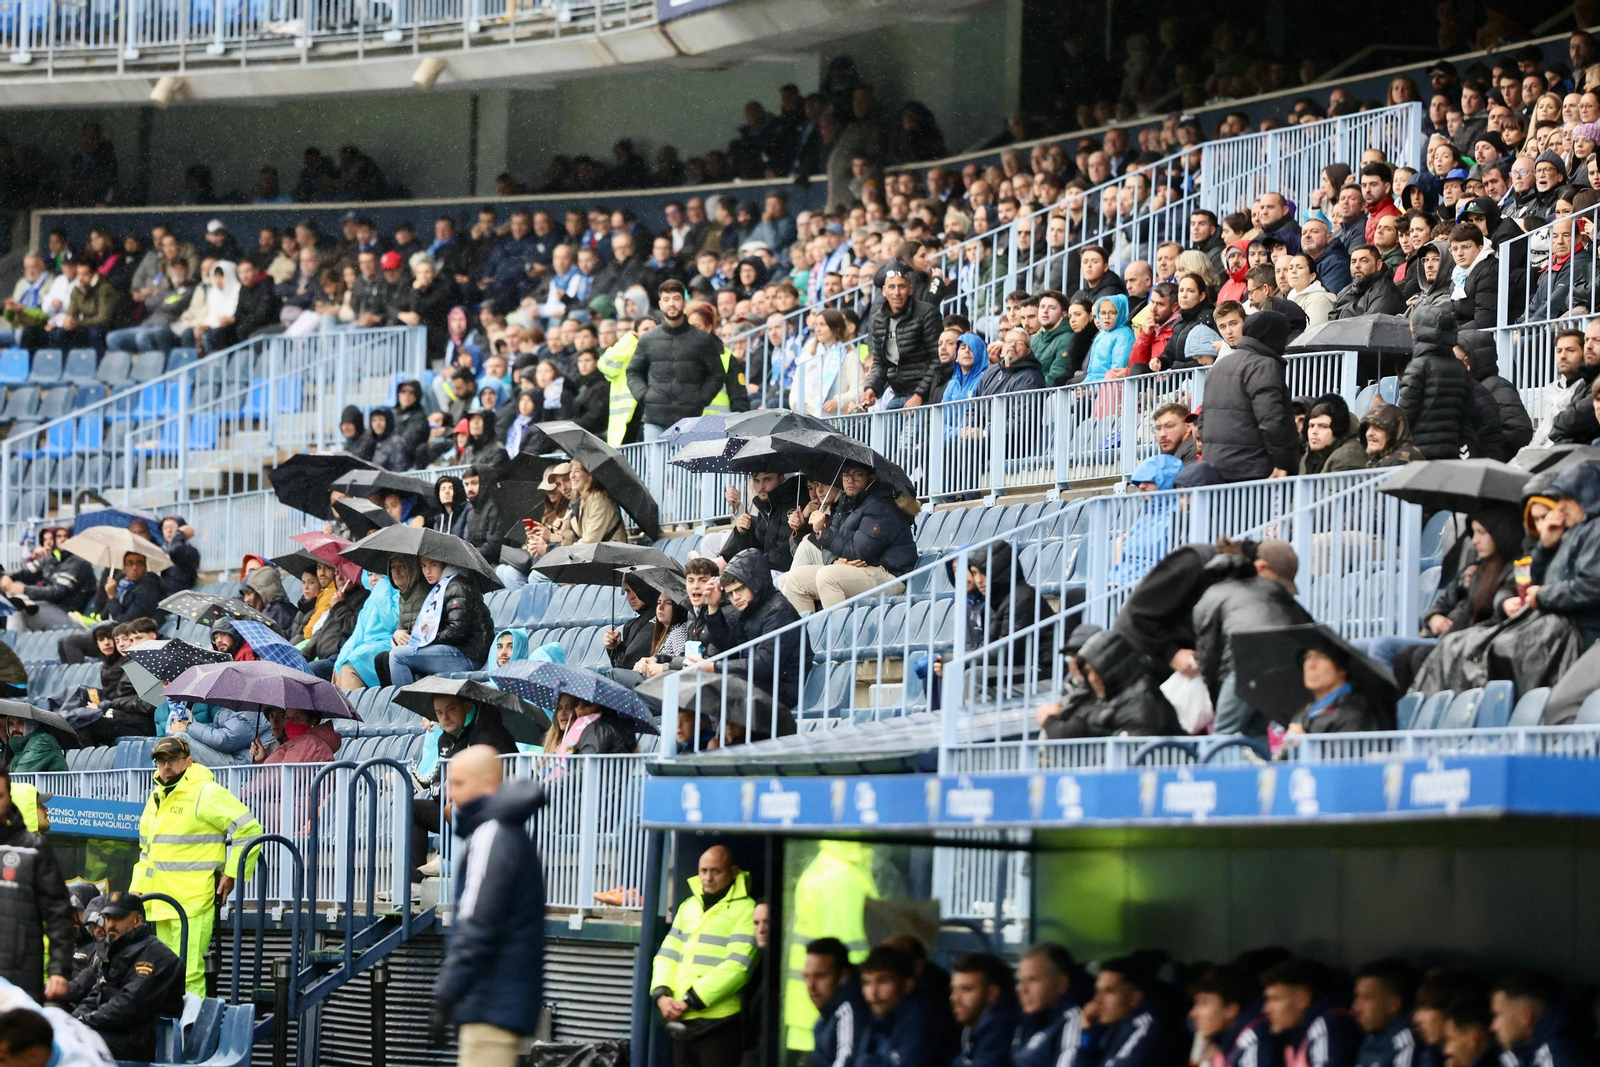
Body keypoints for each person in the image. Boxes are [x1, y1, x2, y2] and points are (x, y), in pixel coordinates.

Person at [431, 747, 546, 1067]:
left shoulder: (491, 834)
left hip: (489, 1006)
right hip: (502, 1004)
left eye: (459, 783)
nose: (451, 793)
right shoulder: (508, 833)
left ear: (489, 785)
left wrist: (446, 994)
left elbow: (476, 923)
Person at [128, 737, 264, 995]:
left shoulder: (205, 792)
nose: (166, 766)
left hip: (193, 901)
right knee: (165, 973)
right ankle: (173, 1032)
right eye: (161, 761)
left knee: (188, 975)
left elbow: (250, 829)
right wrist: (137, 891)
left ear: (189, 762)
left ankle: (191, 1033)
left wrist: (232, 873)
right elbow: (147, 853)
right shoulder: (156, 797)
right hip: (161, 902)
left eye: (173, 760)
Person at [650, 845, 757, 1067]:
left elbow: (739, 967)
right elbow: (666, 955)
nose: (707, 878)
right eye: (703, 870)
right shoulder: (688, 907)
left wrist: (689, 1000)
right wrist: (662, 995)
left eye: (715, 871)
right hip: (681, 1019)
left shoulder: (747, 909)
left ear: (733, 872)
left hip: (720, 1023)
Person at [1194, 540, 1313, 739]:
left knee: (1225, 735)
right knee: (1256, 733)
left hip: (1246, 666)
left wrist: (1212, 692)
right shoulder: (1264, 593)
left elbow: (1208, 655)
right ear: (1260, 567)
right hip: (1279, 667)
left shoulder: (1213, 595)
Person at [410, 693, 518, 881]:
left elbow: (494, 783)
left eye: (451, 709)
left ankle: (449, 858)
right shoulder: (445, 741)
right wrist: (447, 795)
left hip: (490, 809)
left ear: (467, 707)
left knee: (464, 805)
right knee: (414, 808)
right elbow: (438, 782)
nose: (445, 717)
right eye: (439, 712)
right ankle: (414, 882)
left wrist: (458, 797)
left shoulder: (489, 735)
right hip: (452, 808)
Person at [783, 464, 917, 615]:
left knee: (828, 576)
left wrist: (822, 530)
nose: (850, 480)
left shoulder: (880, 505)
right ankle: (808, 636)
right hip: (861, 569)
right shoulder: (847, 502)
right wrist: (833, 559)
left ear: (871, 478)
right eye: (846, 475)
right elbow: (830, 541)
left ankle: (838, 636)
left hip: (888, 574)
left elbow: (858, 553)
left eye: (858, 475)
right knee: (794, 580)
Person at [70, 892, 183, 1062]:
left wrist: (84, 1021)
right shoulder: (117, 950)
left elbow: (128, 1005)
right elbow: (96, 995)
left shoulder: (155, 955)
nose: (111, 924)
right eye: (107, 918)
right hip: (120, 1032)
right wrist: (71, 1021)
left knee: (74, 1045)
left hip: (144, 1041)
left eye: (118, 918)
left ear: (137, 921)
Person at [0, 762, 74, 1002]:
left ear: (10, 799)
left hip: (22, 977)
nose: (45, 808)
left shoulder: (35, 849)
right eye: (38, 803)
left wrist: (59, 970)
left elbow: (59, 913)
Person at [1196, 312, 1298, 483]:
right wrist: (1282, 463)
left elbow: (1202, 421)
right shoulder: (1264, 365)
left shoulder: (1219, 365)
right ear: (1273, 335)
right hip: (1254, 471)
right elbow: (1271, 420)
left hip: (1215, 468)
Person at [704, 549, 804, 712]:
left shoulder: (778, 611)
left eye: (740, 589)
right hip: (758, 682)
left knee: (717, 690)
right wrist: (713, 607)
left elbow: (764, 663)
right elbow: (725, 645)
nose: (735, 597)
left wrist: (715, 667)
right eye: (730, 593)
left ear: (755, 583)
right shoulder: (746, 609)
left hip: (782, 688)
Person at [628, 279, 727, 440]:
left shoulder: (702, 339)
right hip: (654, 420)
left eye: (676, 298)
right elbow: (633, 371)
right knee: (656, 466)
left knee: (683, 465)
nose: (671, 304)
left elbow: (717, 374)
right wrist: (644, 396)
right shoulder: (648, 339)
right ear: (660, 304)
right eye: (666, 300)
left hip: (690, 420)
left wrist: (701, 399)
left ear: (684, 302)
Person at [1045, 629, 1181, 737]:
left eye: (1095, 671)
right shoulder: (1110, 697)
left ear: (1111, 667)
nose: (1092, 678)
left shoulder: (1142, 702)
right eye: (1088, 671)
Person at [388, 556, 494, 684]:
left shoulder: (457, 586)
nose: (427, 571)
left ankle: (405, 704)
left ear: (444, 565)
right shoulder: (441, 587)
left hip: (468, 655)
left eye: (433, 565)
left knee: (397, 656)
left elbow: (457, 630)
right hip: (454, 650)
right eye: (423, 565)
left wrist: (423, 641)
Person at [1398, 307, 1474, 460]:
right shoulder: (1459, 368)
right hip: (1452, 448)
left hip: (1420, 450)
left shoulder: (1418, 366)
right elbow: (1467, 410)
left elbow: (1406, 413)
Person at [861, 270, 943, 409]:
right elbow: (880, 362)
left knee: (908, 432)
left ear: (910, 289)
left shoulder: (927, 312)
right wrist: (871, 389)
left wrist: (920, 395)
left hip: (924, 396)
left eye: (902, 287)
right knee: (884, 431)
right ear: (884, 291)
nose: (897, 293)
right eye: (892, 287)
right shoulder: (878, 319)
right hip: (896, 394)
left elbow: (938, 358)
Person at [1259, 959, 1363, 1067]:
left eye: (1275, 999)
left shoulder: (1330, 1026)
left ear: (1302, 999)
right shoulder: (1292, 1037)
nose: (1265, 1009)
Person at [854, 946, 937, 1067]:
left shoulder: (919, 1020)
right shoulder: (879, 1016)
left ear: (907, 984)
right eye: (866, 983)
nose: (873, 992)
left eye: (883, 981)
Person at [1083, 957, 1170, 1067]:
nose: (1097, 1000)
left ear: (1135, 998)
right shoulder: (1116, 1026)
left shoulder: (1146, 1028)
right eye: (1097, 991)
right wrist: (1087, 1035)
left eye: (1109, 991)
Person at [1284, 646, 1385, 737]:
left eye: (1321, 656)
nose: (1310, 664)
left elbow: (1345, 755)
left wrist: (1304, 745)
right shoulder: (1304, 712)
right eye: (1307, 657)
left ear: (1341, 669)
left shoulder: (1354, 713)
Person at [1011, 943, 1083, 1067]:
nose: (1022, 989)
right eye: (1020, 981)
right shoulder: (1028, 1021)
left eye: (1032, 980)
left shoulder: (1072, 1021)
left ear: (1061, 984)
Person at [1490, 972, 1583, 1067]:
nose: (1493, 1027)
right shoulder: (1520, 1056)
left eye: (1498, 1015)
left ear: (1525, 1016)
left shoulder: (1558, 1056)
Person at [721, 473, 805, 574]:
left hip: (784, 572)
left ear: (781, 479)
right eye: (756, 481)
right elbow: (757, 547)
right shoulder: (766, 505)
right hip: (769, 568)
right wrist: (742, 533)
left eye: (767, 480)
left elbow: (782, 555)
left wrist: (751, 565)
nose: (761, 487)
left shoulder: (790, 503)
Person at [803, 937, 866, 1067]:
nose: (811, 986)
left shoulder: (849, 1011)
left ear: (844, 975)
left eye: (820, 976)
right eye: (806, 977)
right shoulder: (828, 1015)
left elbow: (847, 1060)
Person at [947, 954, 1019, 1067]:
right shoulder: (975, 1028)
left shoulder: (1000, 1030)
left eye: (966, 989)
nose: (954, 998)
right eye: (953, 990)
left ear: (992, 993)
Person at [1353, 959, 1420, 1067]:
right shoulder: (1371, 1038)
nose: (1356, 1008)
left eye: (1366, 998)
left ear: (1393, 1005)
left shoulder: (1406, 1044)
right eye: (1357, 997)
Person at [1190, 966, 1259, 1067]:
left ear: (1231, 1010)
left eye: (1204, 1003)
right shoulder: (1221, 1044)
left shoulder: (1252, 1042)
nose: (1193, 1013)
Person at [1331, 245, 1406, 318]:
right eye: (1353, 261)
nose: (1357, 265)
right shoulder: (1345, 291)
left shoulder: (1386, 293)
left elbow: (1370, 326)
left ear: (1379, 265)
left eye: (1364, 261)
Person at [1300, 394, 1368, 474]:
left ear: (1338, 429)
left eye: (1323, 426)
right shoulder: (1309, 455)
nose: (1314, 431)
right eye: (1311, 426)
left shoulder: (1349, 455)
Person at [254, 708, 342, 764]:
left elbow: (276, 780)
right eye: (287, 718)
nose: (291, 722)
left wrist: (245, 793)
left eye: (297, 718)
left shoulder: (310, 744)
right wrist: (261, 759)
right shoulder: (293, 744)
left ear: (313, 721)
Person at [1360, 404, 1425, 467]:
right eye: (1367, 427)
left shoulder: (1403, 458)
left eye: (1378, 427)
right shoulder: (1377, 457)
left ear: (1393, 432)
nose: (1369, 433)